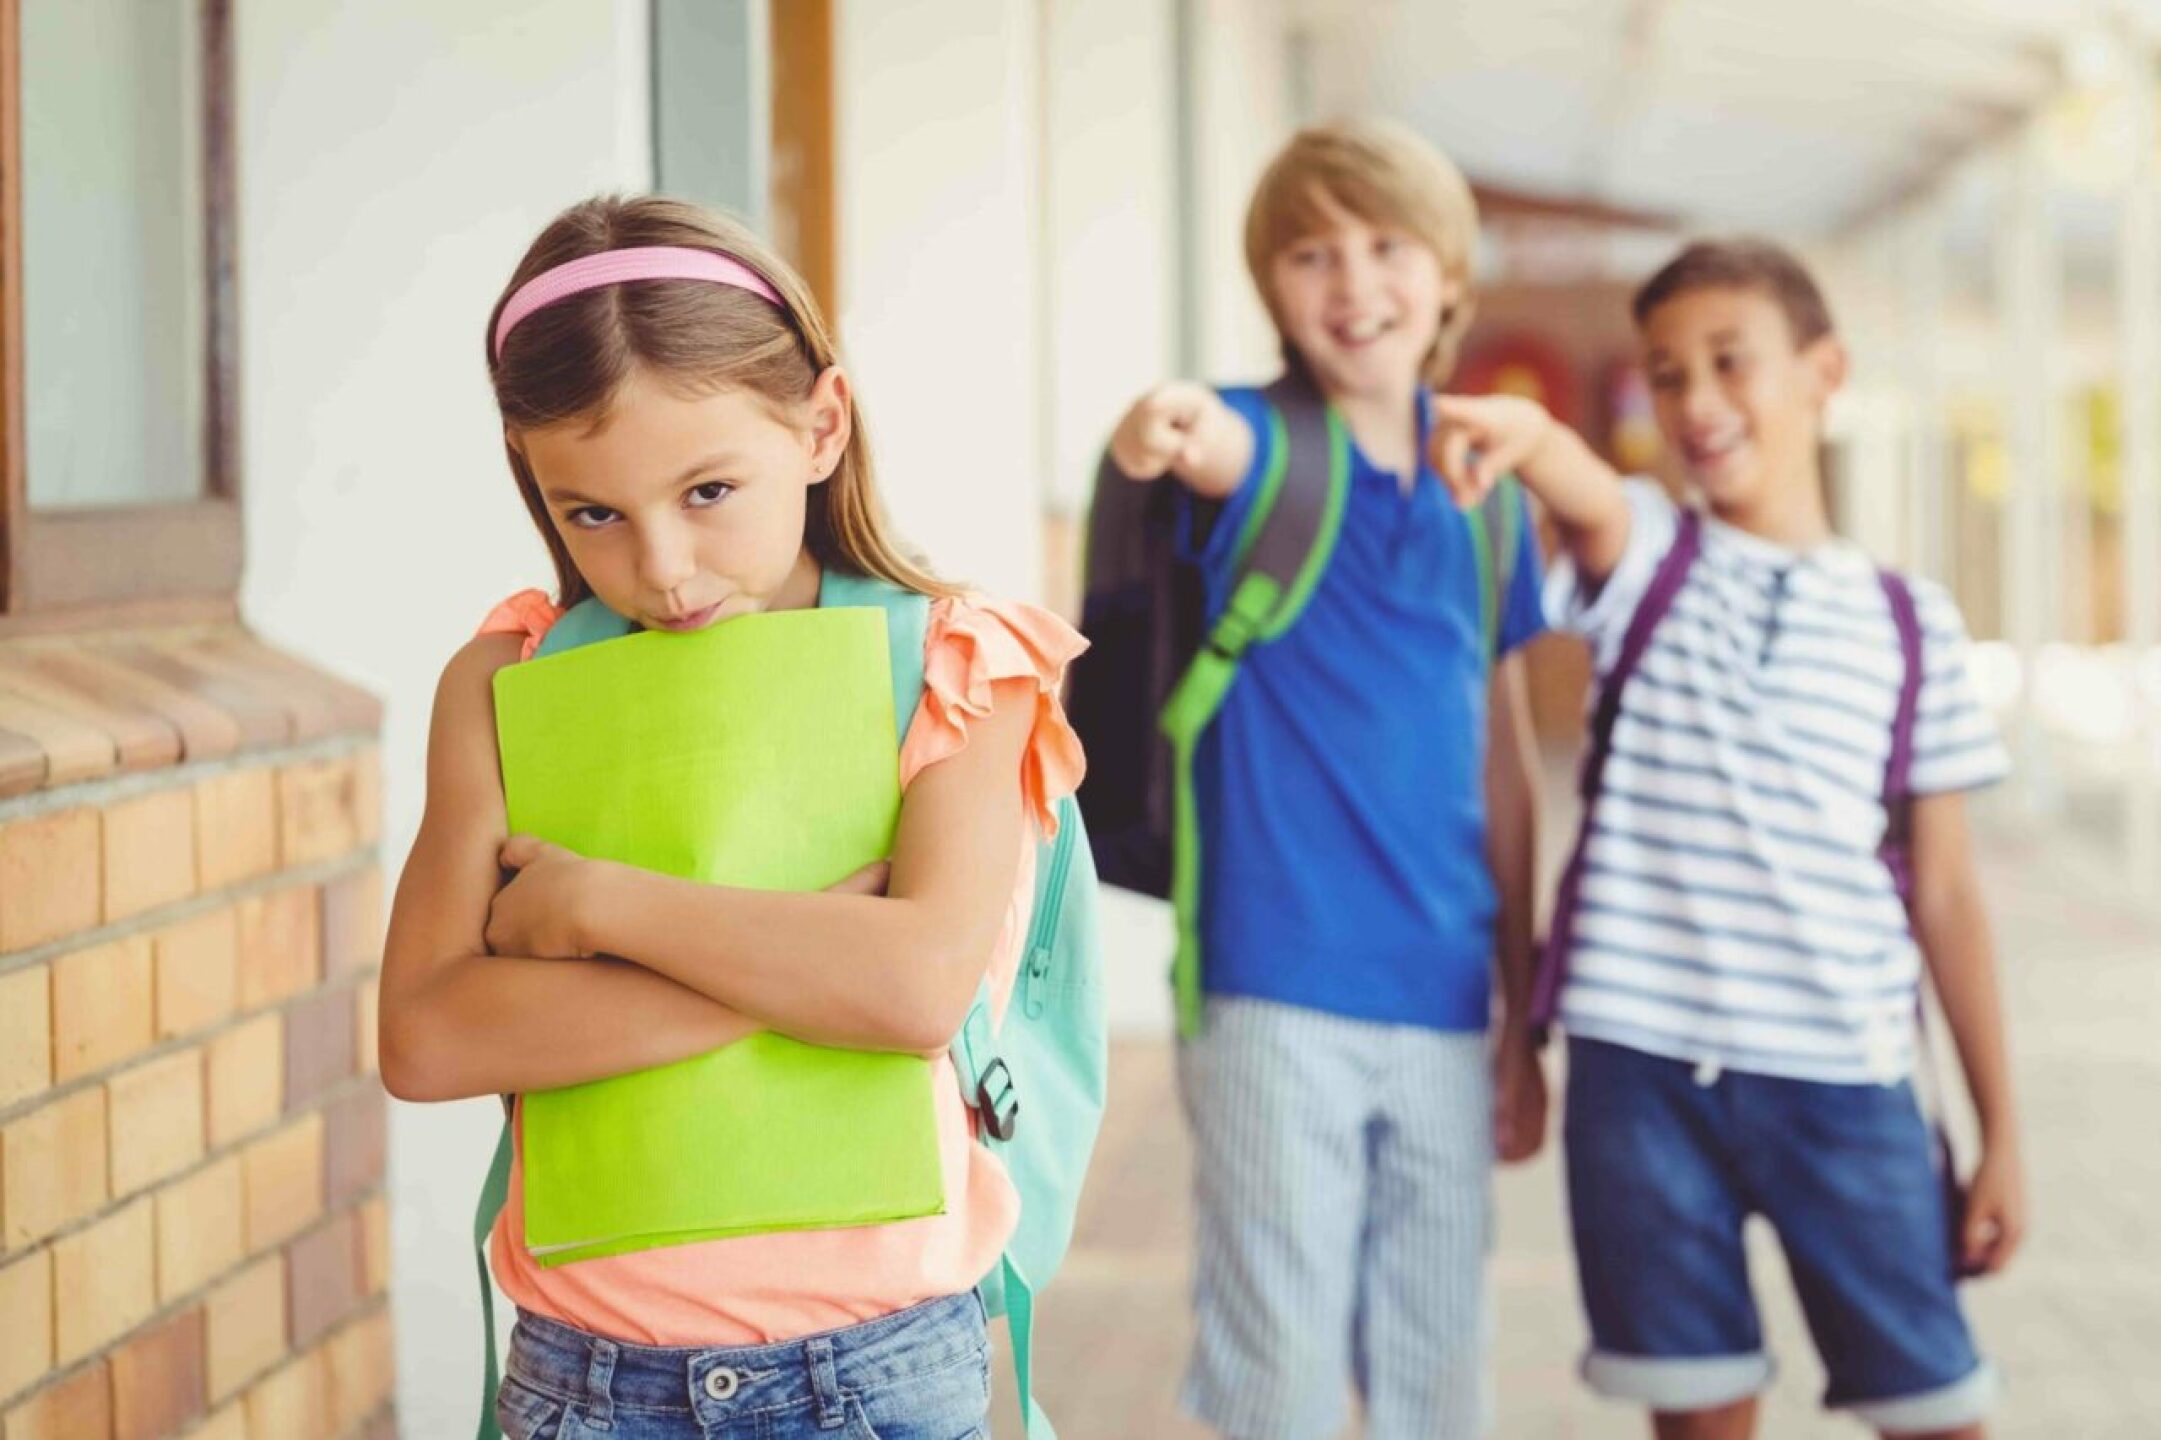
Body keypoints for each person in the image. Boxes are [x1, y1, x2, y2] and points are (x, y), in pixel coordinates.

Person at [379, 195, 1087, 1440]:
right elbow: (427, 1039)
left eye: (707, 490)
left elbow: (914, 992)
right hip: (586, 1380)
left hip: (878, 1374)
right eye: (591, 512)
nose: (660, 567)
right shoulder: (505, 682)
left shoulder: (959, 666)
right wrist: (809, 958)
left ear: (821, 426)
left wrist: (601, 909)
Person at [1433, 237, 2025, 1440]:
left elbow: (1948, 896)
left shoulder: (1911, 624)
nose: (1695, 400)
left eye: (1727, 361)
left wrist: (1999, 1131)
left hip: (1846, 1078)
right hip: (1638, 1075)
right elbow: (1582, 487)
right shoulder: (1651, 554)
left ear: (1822, 371)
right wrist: (1525, 433)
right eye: (1666, 374)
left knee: (1936, 1407)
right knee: (1697, 1414)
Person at [1104, 120, 1548, 1440]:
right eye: (1311, 255)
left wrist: (1520, 1008)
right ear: (1271, 289)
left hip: (1447, 996)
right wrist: (1158, 424)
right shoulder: (1263, 448)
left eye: (1385, 246)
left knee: (1436, 1370)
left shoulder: (1490, 494)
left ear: (1447, 274)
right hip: (1271, 989)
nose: (1353, 284)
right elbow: (1187, 439)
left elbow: (1505, 761)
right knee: (1278, 1368)